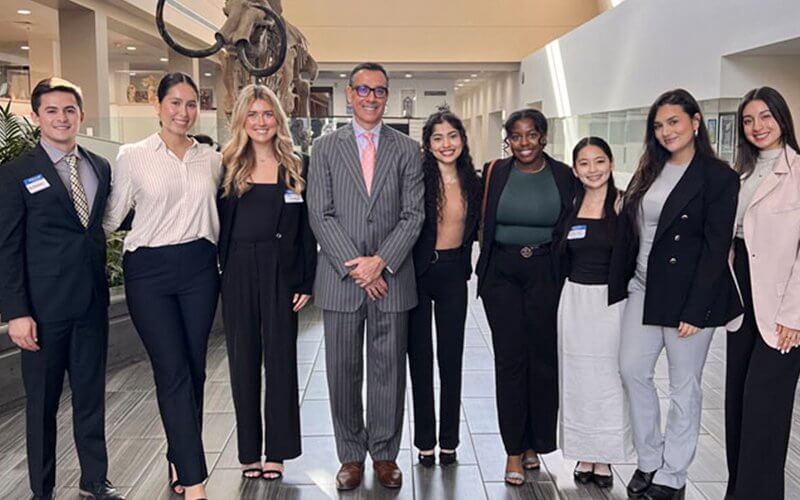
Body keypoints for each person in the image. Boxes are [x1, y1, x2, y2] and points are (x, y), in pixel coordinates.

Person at [608, 89, 741, 500]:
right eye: (659, 125)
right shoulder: (650, 168)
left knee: (685, 387)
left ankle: (674, 474)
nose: (666, 131)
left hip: (689, 299)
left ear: (695, 122)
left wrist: (698, 309)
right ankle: (649, 459)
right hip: (643, 288)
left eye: (674, 122)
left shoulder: (719, 177)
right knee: (632, 370)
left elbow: (716, 247)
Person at [0, 77, 124, 500]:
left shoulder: (98, 167)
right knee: (42, 406)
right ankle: (42, 490)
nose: (61, 118)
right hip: (41, 311)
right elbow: (8, 247)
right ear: (35, 117)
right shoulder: (16, 174)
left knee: (91, 397)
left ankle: (94, 480)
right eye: (51, 110)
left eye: (69, 110)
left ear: (81, 116)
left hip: (91, 305)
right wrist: (16, 312)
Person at [104, 72, 222, 500]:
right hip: (148, 271)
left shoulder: (211, 158)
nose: (183, 112)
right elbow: (112, 217)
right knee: (171, 370)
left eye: (191, 104)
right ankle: (194, 479)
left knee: (193, 368)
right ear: (158, 106)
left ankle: (179, 454)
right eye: (175, 103)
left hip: (199, 268)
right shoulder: (132, 155)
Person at [306, 62, 424, 490]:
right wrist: (358, 265)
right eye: (363, 89)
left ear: (386, 96)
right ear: (348, 94)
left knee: (389, 371)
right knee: (342, 370)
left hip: (392, 278)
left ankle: (385, 455)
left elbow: (414, 215)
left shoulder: (408, 150)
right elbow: (320, 213)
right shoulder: (324, 149)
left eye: (379, 90)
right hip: (342, 281)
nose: (371, 97)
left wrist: (382, 261)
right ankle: (351, 455)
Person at [217, 84, 316, 481]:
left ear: (279, 119)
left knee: (281, 360)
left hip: (282, 271)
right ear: (242, 119)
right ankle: (248, 452)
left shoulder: (297, 165)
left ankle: (277, 451)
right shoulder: (226, 166)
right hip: (238, 269)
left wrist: (306, 280)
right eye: (253, 114)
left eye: (268, 114)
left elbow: (308, 229)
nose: (261, 122)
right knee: (243, 362)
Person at [475, 109, 577, 486]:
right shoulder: (495, 172)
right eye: (516, 136)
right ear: (508, 140)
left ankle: (536, 442)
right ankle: (513, 451)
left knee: (543, 358)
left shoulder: (564, 175)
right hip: (501, 273)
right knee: (511, 360)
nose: (524, 143)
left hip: (546, 272)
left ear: (544, 137)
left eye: (531, 135)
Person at [724, 86, 800, 500]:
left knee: (764, 411)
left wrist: (795, 315)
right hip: (742, 302)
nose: (758, 127)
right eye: (749, 120)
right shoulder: (741, 174)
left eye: (766, 117)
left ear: (782, 119)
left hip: (783, 309)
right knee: (737, 405)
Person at [557, 137, 635, 488]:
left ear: (611, 163)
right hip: (574, 302)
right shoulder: (568, 205)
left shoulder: (625, 206)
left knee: (609, 379)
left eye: (599, 161)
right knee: (577, 379)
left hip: (612, 304)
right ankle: (583, 453)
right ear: (575, 169)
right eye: (585, 164)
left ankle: (604, 457)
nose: (593, 170)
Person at [408, 110, 481, 467]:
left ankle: (449, 440)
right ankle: (424, 440)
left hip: (454, 272)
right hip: (419, 274)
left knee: (451, 358)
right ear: (428, 144)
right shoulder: (416, 179)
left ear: (463, 140)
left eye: (452, 136)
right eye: (437, 138)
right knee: (419, 359)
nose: (446, 144)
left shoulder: (474, 181)